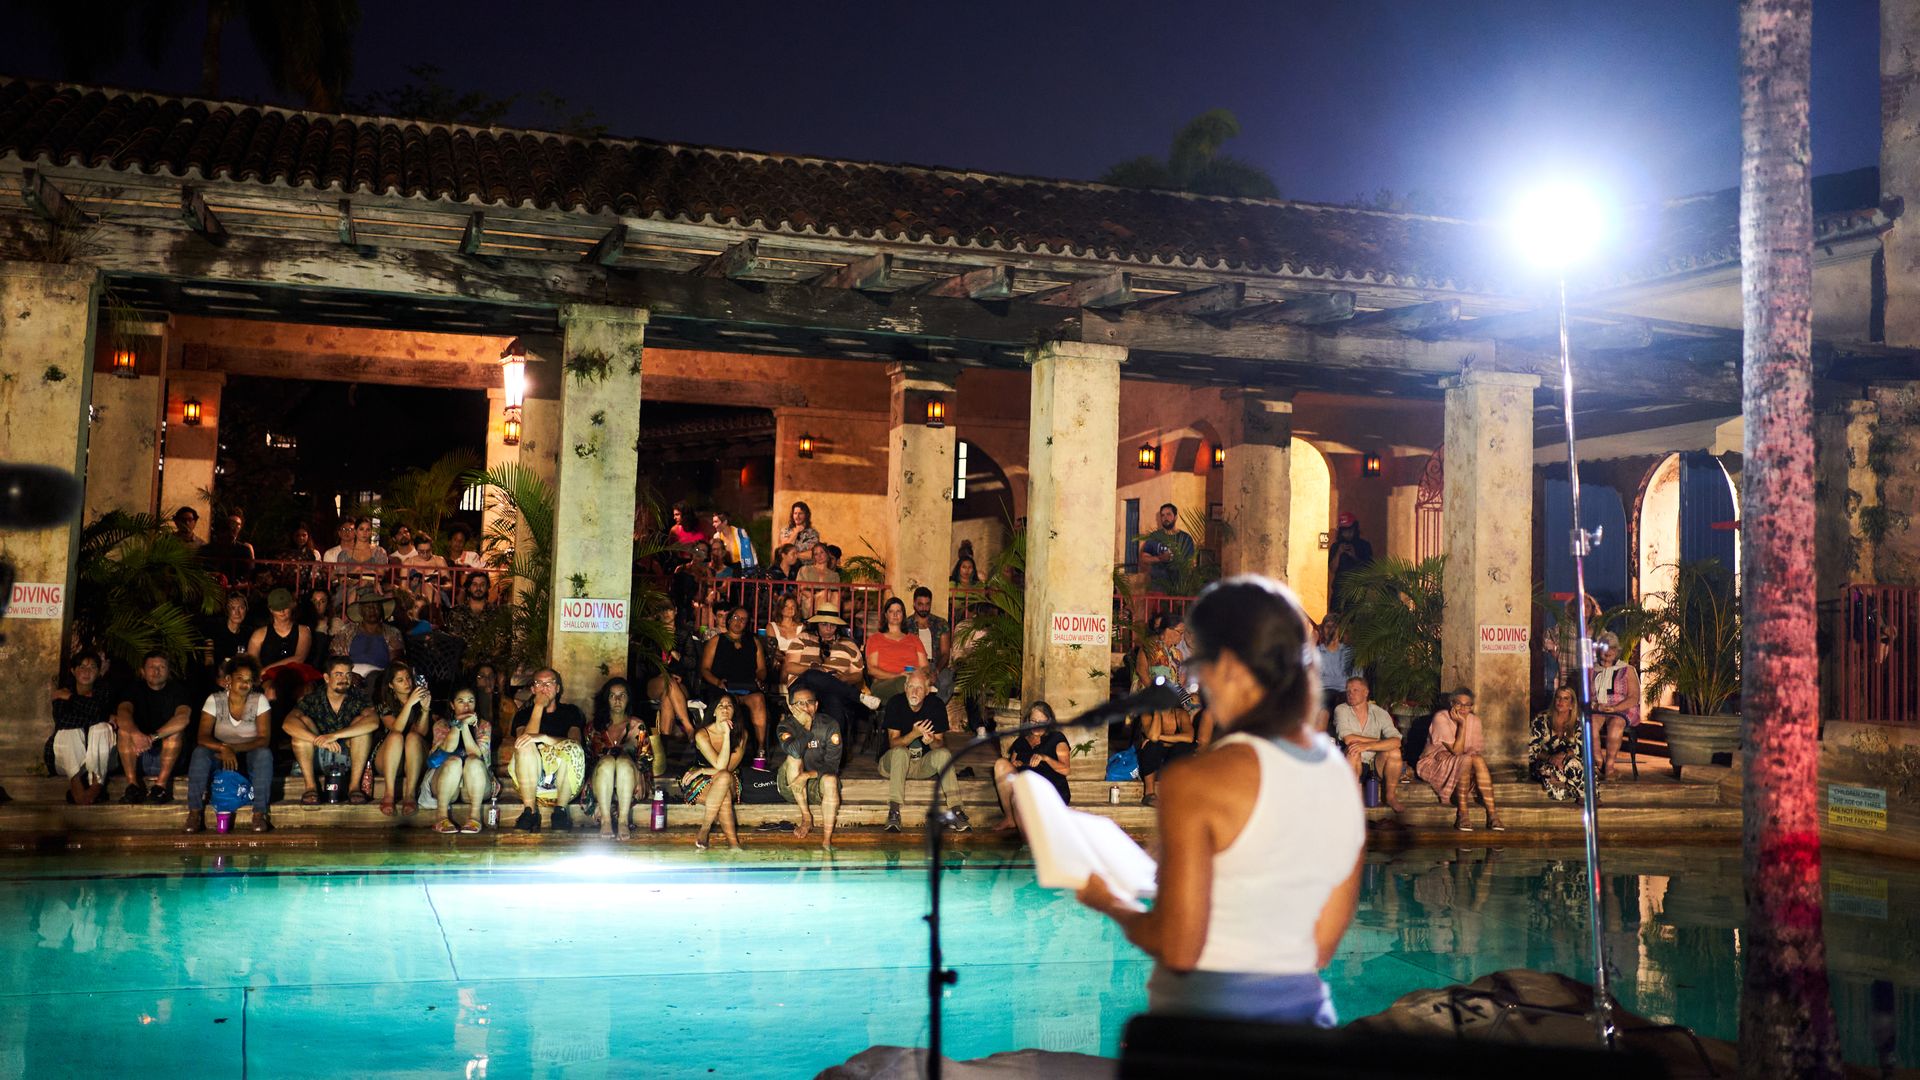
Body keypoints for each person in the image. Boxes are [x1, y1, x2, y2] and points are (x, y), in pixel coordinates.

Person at [1074, 575, 1365, 1027]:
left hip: (1208, 1035)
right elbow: (1322, 946)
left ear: (1228, 664)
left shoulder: (1199, 781)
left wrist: (1111, 902)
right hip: (1305, 1026)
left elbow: (1179, 947)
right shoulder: (1339, 773)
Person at [182, 656, 276, 833]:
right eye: (240, 678)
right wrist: (223, 748)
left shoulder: (259, 700)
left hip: (248, 753)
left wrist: (233, 748)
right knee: (200, 753)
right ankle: (194, 813)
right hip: (221, 754)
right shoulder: (215, 700)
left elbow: (264, 739)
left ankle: (259, 814)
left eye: (249, 680)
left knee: (264, 754)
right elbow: (202, 736)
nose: (245, 683)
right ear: (228, 680)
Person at [878, 670, 970, 833]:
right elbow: (893, 743)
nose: (914, 692)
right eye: (911, 687)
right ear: (905, 688)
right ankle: (894, 811)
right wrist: (914, 734)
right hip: (892, 764)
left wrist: (931, 741)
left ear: (927, 691)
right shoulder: (896, 703)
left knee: (944, 754)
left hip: (921, 765)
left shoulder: (936, 706)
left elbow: (940, 745)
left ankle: (956, 811)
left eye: (919, 688)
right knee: (900, 752)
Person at [284, 657, 379, 806]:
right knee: (302, 725)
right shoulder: (312, 699)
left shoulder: (358, 698)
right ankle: (310, 788)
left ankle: (354, 787)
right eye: (338, 674)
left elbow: (373, 722)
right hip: (317, 757)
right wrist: (319, 740)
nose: (344, 679)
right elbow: (287, 724)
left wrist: (333, 736)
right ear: (327, 678)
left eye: (348, 675)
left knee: (362, 727)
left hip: (347, 757)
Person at [507, 668, 587, 832]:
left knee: (571, 748)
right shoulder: (523, 714)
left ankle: (560, 812)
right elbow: (523, 741)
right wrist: (538, 706)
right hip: (532, 782)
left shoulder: (571, 712)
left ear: (557, 688)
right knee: (524, 744)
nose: (544, 687)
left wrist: (544, 738)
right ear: (533, 689)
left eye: (550, 683)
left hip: (565, 782)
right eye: (539, 683)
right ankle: (530, 811)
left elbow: (575, 743)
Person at [112, 651, 195, 804]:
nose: (156, 671)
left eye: (161, 667)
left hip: (168, 757)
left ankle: (160, 788)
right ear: (142, 671)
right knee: (124, 730)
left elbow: (183, 718)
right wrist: (136, 734)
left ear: (168, 671)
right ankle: (132, 787)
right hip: (138, 754)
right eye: (151, 667)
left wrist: (152, 737)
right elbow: (123, 713)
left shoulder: (179, 690)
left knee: (175, 732)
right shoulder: (133, 689)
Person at [1416, 688, 1504, 832]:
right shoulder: (1441, 717)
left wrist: (1456, 754)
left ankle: (1492, 813)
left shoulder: (1475, 721)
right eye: (1458, 704)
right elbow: (1457, 751)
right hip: (1433, 763)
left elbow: (1472, 750)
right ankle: (1463, 813)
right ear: (1452, 704)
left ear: (1471, 707)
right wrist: (1462, 725)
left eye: (1467, 705)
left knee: (1477, 760)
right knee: (1466, 760)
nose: (1463, 708)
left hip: (1460, 761)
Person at [781, 602, 873, 730]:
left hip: (834, 689)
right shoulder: (803, 638)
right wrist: (813, 669)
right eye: (824, 624)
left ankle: (835, 741)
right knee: (812, 674)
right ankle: (857, 696)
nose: (828, 628)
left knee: (834, 700)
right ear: (817, 624)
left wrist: (843, 678)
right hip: (803, 685)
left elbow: (857, 676)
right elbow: (789, 667)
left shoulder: (849, 645)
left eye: (832, 625)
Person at [776, 687, 843, 849]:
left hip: (817, 784)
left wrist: (806, 775)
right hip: (791, 786)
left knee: (831, 780)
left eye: (809, 702)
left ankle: (826, 840)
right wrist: (807, 725)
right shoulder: (785, 726)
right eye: (800, 703)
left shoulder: (829, 725)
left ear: (817, 705)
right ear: (791, 707)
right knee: (794, 758)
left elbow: (833, 765)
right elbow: (794, 751)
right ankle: (806, 817)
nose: (806, 708)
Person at [699, 604, 770, 757]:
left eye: (743, 619)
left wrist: (759, 679)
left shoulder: (754, 641)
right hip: (722, 688)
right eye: (736, 617)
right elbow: (704, 669)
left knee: (758, 699)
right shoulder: (716, 641)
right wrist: (717, 682)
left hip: (746, 688)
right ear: (729, 620)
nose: (739, 622)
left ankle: (760, 748)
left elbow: (761, 668)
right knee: (725, 701)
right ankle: (722, 747)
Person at [588, 677, 654, 840]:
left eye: (622, 695)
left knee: (624, 762)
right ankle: (606, 820)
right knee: (607, 762)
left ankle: (623, 821)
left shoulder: (637, 725)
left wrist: (638, 770)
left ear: (628, 699)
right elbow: (588, 758)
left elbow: (646, 758)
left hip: (630, 781)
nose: (617, 700)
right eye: (612, 696)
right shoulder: (594, 727)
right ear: (606, 699)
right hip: (601, 781)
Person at [423, 688, 493, 834]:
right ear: (452, 705)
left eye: (471, 701)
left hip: (475, 786)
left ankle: (475, 817)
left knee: (473, 762)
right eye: (461, 701)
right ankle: (441, 817)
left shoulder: (483, 725)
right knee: (454, 761)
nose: (466, 706)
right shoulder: (441, 725)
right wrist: (459, 724)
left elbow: (475, 754)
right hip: (446, 785)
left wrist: (466, 726)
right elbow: (448, 748)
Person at [993, 700, 1071, 830]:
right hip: (1025, 790)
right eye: (1033, 721)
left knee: (1021, 798)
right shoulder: (1020, 741)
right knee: (1001, 764)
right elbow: (1011, 768)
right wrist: (1014, 764)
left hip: (1051, 791)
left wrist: (1045, 758)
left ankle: (1031, 835)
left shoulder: (1057, 738)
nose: (1036, 725)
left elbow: (1066, 770)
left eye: (1041, 722)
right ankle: (1010, 818)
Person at [682, 694, 745, 851]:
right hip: (702, 782)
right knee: (724, 797)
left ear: (734, 712)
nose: (725, 708)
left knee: (724, 777)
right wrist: (703, 772)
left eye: (729, 705)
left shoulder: (741, 734)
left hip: (728, 778)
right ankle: (734, 845)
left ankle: (705, 828)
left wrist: (727, 735)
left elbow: (726, 768)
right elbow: (720, 765)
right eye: (720, 705)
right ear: (714, 712)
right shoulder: (702, 734)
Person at [1332, 676, 1405, 812]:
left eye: (1355, 690)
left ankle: (1390, 796)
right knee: (1353, 750)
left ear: (1366, 692)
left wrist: (1368, 746)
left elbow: (1396, 741)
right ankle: (1353, 798)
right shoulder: (1341, 710)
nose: (1350, 694)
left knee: (1394, 752)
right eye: (1348, 691)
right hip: (1351, 762)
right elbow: (1348, 738)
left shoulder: (1380, 713)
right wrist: (1379, 742)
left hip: (1374, 763)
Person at [49, 654, 113, 804]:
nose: (86, 672)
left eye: (92, 667)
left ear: (99, 672)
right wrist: (102, 716)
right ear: (73, 671)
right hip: (66, 759)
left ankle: (96, 785)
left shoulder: (104, 691)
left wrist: (71, 698)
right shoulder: (61, 693)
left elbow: (97, 709)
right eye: (82, 667)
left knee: (101, 727)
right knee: (69, 730)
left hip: (101, 759)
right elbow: (63, 721)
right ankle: (76, 785)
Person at [375, 662, 432, 817]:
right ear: (391, 685)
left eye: (408, 678)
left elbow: (422, 732)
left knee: (413, 737)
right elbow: (396, 728)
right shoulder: (385, 704)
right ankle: (389, 794)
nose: (407, 683)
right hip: (390, 759)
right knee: (396, 737)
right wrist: (409, 703)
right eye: (400, 680)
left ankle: (410, 794)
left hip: (413, 759)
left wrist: (425, 709)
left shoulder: (419, 700)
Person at [1138, 695, 1208, 808]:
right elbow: (1153, 737)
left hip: (1170, 765)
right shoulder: (1147, 714)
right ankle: (1149, 794)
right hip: (1152, 765)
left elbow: (1189, 737)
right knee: (1152, 745)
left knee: (1185, 747)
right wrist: (1157, 712)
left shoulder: (1181, 714)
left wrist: (1160, 737)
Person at [1589, 631, 1641, 780]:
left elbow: (1634, 697)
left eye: (1612, 648)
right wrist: (1596, 706)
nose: (1608, 651)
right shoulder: (1592, 670)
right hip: (1598, 708)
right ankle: (1600, 762)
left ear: (1617, 651)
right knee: (1590, 723)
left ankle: (1610, 767)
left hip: (1623, 708)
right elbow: (1585, 696)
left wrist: (1615, 708)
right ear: (1599, 650)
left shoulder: (1627, 670)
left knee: (1616, 724)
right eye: (1604, 648)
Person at [865, 597, 930, 704]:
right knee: (905, 683)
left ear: (903, 615)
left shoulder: (914, 639)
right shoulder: (875, 639)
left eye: (898, 611)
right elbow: (872, 669)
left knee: (917, 685)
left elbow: (925, 666)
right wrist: (899, 675)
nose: (895, 615)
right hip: (884, 683)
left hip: (912, 681)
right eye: (891, 611)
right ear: (886, 615)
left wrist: (917, 675)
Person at [1529, 685, 1587, 803]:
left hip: (1569, 762)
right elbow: (1531, 749)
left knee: (1573, 764)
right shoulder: (1541, 720)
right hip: (1545, 763)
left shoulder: (1578, 722)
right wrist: (1550, 758)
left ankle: (1577, 792)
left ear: (1572, 704)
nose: (1561, 701)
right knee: (1548, 770)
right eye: (1558, 697)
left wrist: (1564, 755)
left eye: (1565, 698)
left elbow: (1581, 748)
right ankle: (1578, 791)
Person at [332, 588, 404, 676]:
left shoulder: (392, 633)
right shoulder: (346, 631)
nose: (372, 610)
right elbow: (334, 659)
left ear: (381, 609)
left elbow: (396, 663)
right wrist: (349, 675)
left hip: (381, 678)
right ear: (360, 611)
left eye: (376, 606)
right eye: (367, 607)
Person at [247, 588, 314, 675]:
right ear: (270, 609)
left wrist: (266, 670)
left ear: (291, 606)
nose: (282, 611)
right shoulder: (259, 635)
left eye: (285, 607)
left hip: (296, 677)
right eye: (277, 608)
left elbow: (299, 658)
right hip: (267, 679)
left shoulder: (303, 631)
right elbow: (252, 664)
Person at [906, 586, 954, 695]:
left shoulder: (940, 624)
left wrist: (936, 671)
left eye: (927, 604)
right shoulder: (906, 625)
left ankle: (936, 705)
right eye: (920, 604)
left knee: (946, 682)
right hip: (914, 665)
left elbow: (945, 653)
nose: (924, 608)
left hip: (936, 664)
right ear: (914, 604)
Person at [1139, 503, 1196, 591]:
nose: (1165, 518)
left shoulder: (1185, 538)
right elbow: (1144, 558)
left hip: (1179, 588)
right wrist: (1160, 558)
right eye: (1163, 515)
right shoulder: (1155, 536)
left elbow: (1191, 563)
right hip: (1158, 586)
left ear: (1175, 517)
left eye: (1168, 514)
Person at [1328, 512, 1375, 609]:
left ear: (1354, 529)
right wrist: (1338, 553)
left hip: (1358, 592)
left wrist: (1354, 556)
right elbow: (1332, 569)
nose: (1347, 534)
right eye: (1344, 531)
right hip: (1339, 592)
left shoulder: (1364, 545)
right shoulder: (1336, 546)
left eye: (1350, 530)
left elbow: (1369, 568)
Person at [1315, 620, 1353, 718]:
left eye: (1334, 626)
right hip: (1324, 692)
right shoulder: (1316, 652)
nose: (1331, 630)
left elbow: (1357, 677)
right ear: (1322, 630)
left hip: (1345, 691)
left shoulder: (1349, 652)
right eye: (1328, 627)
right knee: (1323, 708)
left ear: (1340, 629)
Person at [794, 542, 838, 619]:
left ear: (827, 554)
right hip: (809, 601)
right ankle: (819, 620)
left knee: (835, 595)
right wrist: (815, 597)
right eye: (816, 554)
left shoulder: (834, 575)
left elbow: (835, 592)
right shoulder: (805, 569)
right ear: (813, 557)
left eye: (821, 552)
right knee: (825, 594)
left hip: (828, 603)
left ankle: (830, 620)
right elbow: (801, 588)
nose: (819, 556)